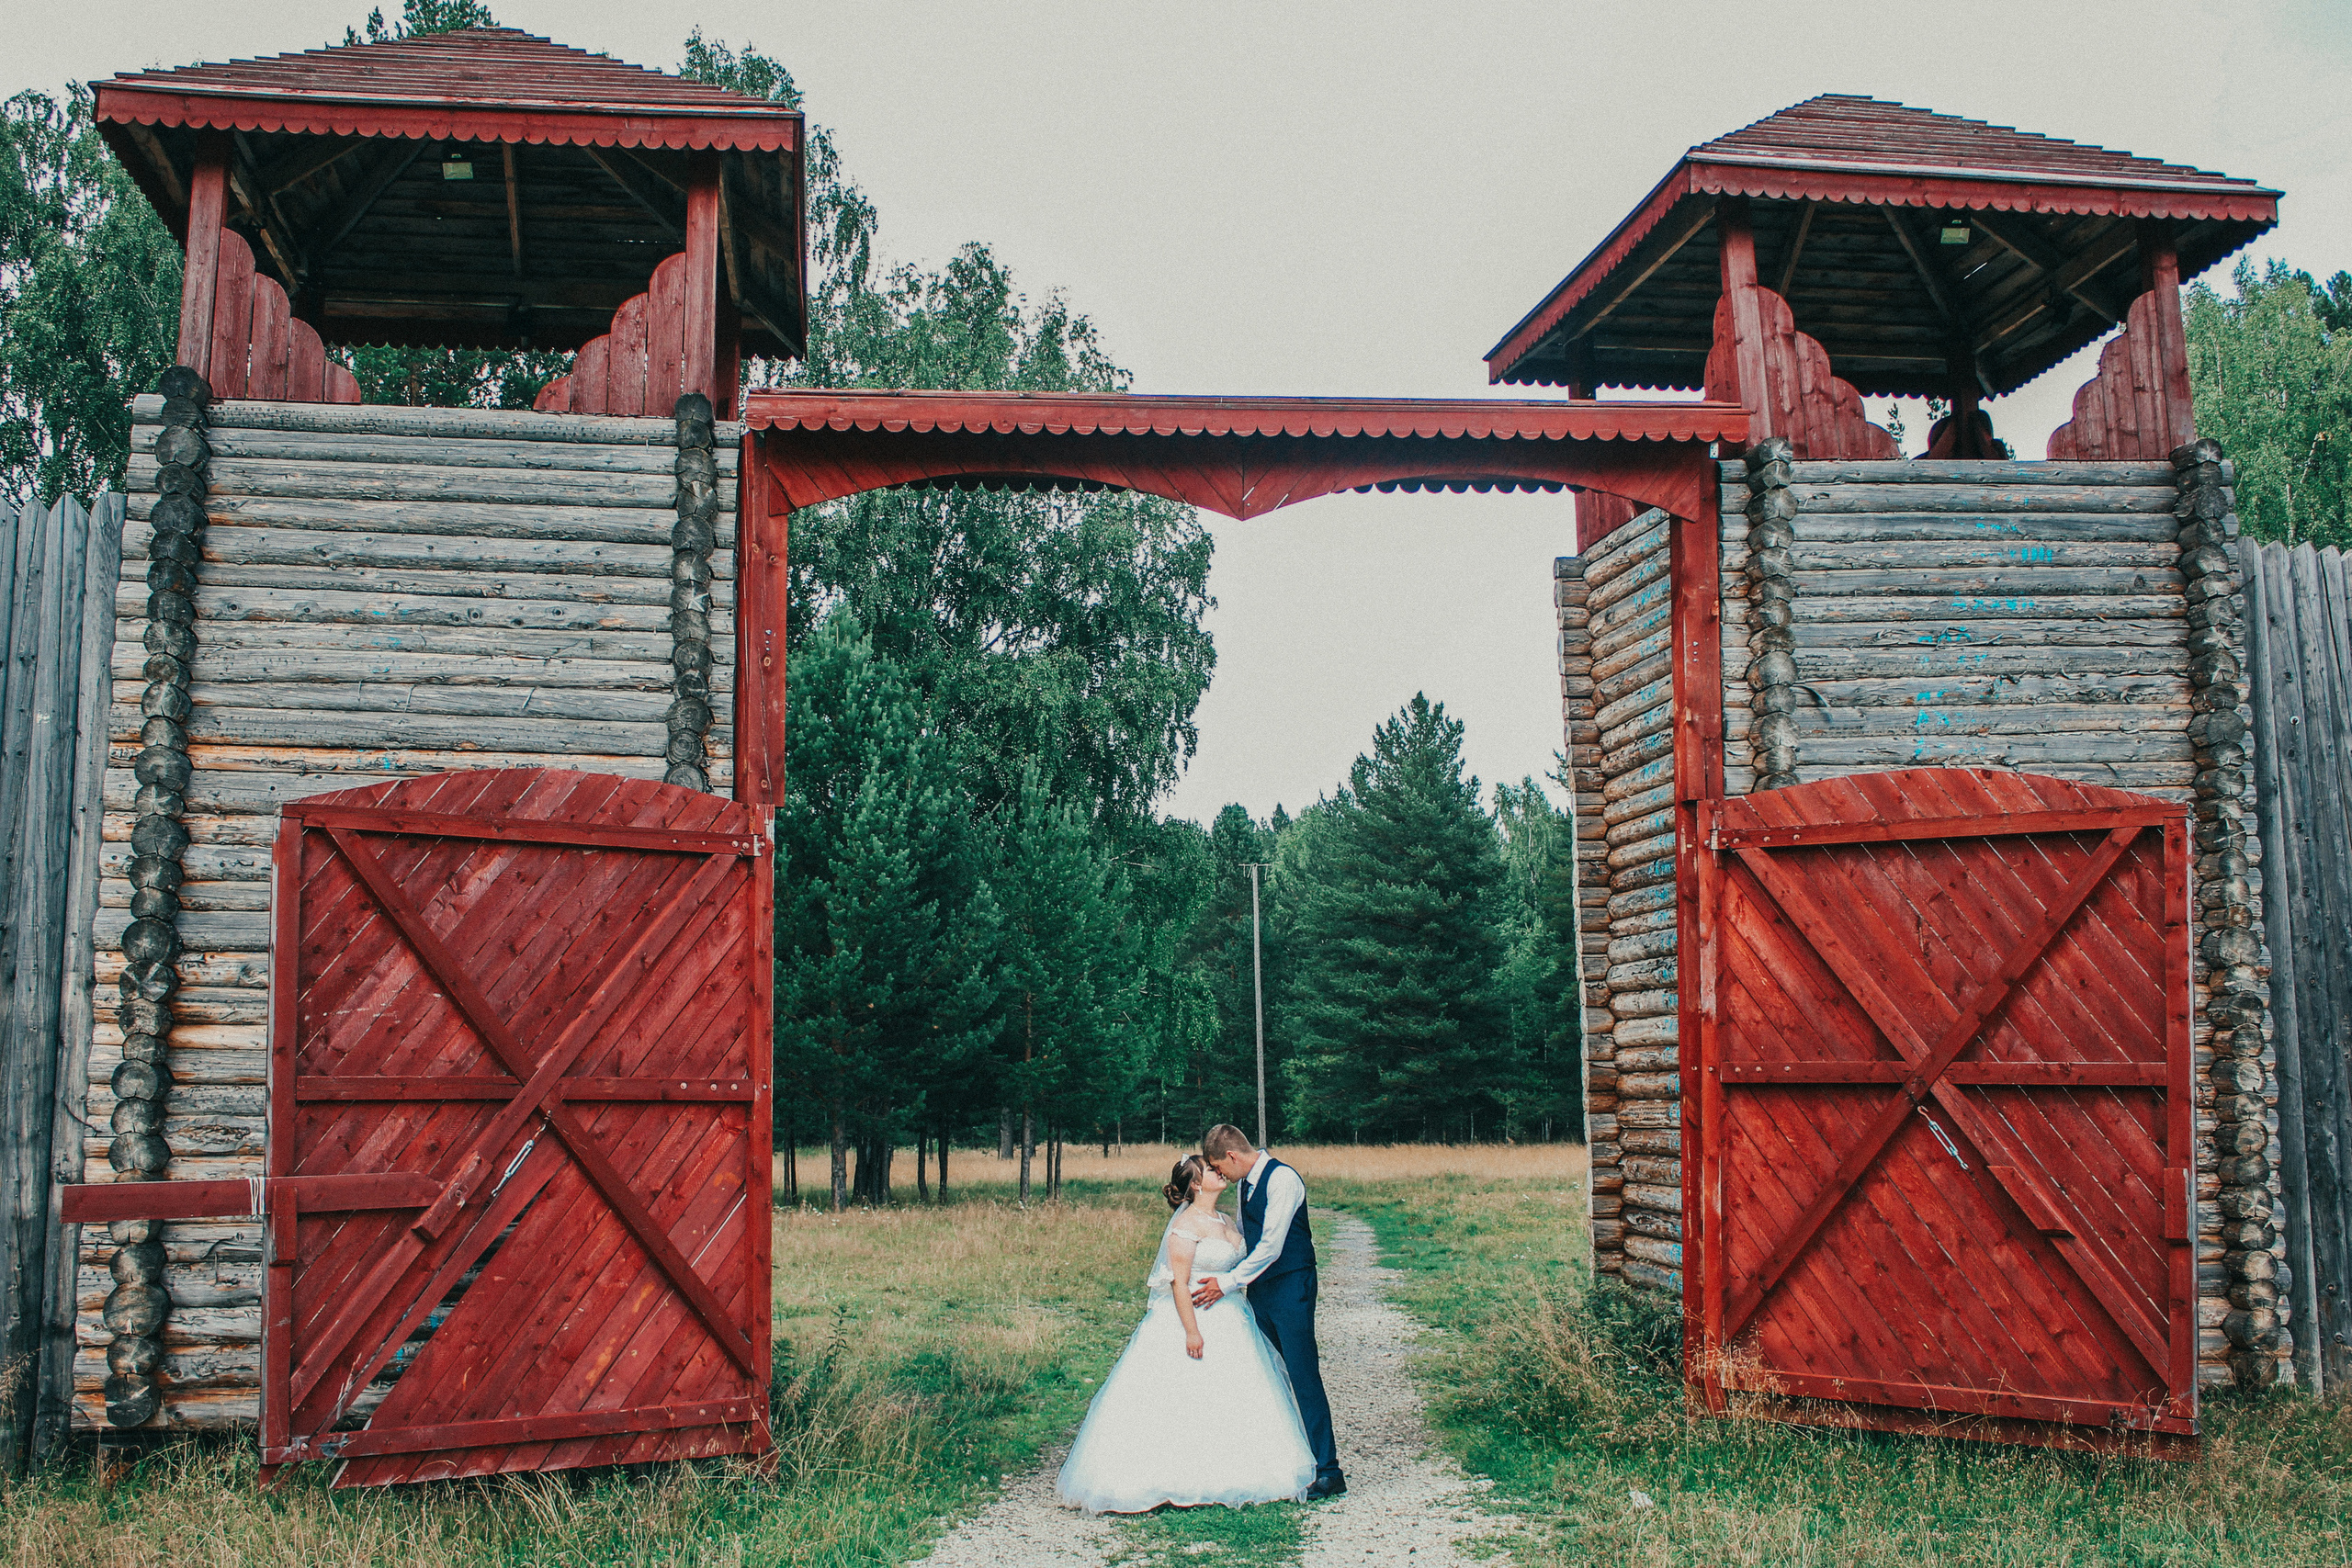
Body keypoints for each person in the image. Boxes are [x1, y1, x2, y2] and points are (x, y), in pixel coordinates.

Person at [1054, 1154, 1317, 1514]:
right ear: (1195, 1184)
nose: (1219, 1172)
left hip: (1232, 1315)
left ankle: (1234, 1468)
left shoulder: (1227, 1219)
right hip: (1195, 1317)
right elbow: (1179, 1283)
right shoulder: (1185, 1226)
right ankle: (1173, 1474)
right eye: (1210, 1170)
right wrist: (1192, 1331)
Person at [1191, 1125, 1344, 1497]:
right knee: (1268, 1372)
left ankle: (1329, 1470)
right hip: (1259, 1289)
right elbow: (1248, 1238)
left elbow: (1272, 1246)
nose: (1220, 1175)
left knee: (1302, 1374)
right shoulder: (1244, 1183)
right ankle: (1286, 1461)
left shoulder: (1283, 1179)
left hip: (1291, 1285)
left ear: (1231, 1156)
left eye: (1218, 1167)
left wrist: (1227, 1283)